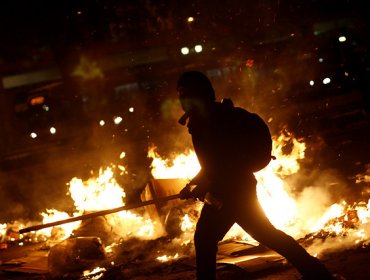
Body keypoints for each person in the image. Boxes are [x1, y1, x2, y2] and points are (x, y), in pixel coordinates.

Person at [177, 71, 334, 280]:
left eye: (186, 94)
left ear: (201, 95)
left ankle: (316, 272)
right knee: (265, 234)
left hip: (230, 192)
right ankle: (316, 272)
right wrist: (194, 183)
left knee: (206, 237)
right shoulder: (208, 118)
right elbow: (211, 165)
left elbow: (223, 164)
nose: (182, 100)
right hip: (236, 188)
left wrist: (202, 187)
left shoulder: (209, 122)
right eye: (180, 95)